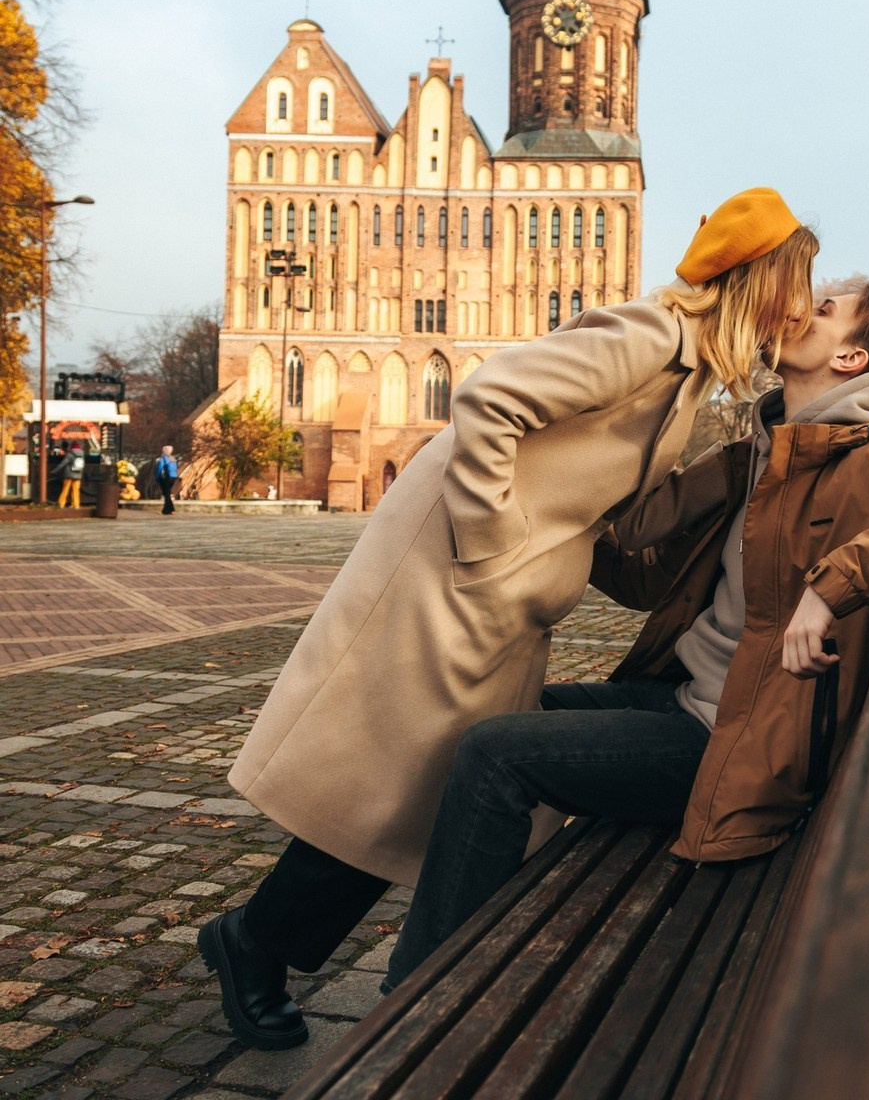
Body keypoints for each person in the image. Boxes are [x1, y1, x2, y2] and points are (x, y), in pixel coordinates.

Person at [199, 188, 819, 1050]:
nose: (803, 306)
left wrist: (743, 463)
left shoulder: (689, 372)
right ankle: (260, 943)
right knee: (396, 774)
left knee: (413, 779)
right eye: (800, 282)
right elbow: (489, 398)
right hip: (459, 573)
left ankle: (262, 940)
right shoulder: (651, 336)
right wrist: (492, 543)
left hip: (499, 591)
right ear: (762, 278)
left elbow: (631, 512)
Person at [369, 281, 869, 994]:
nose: (797, 309)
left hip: (734, 742)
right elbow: (643, 575)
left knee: (495, 754)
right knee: (485, 711)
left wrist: (833, 583)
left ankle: (410, 996)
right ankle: (457, 940)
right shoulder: (758, 454)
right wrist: (551, 516)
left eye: (822, 310)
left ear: (851, 357)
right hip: (687, 700)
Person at [53, 444, 86, 508]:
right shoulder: (82, 455)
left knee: (65, 489)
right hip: (78, 475)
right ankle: (76, 504)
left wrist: (55, 470)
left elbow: (63, 464)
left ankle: (61, 504)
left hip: (69, 475)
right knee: (76, 490)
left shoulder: (70, 454)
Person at [155, 445, 179, 514]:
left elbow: (160, 468)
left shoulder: (164, 458)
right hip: (173, 477)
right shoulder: (173, 458)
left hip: (166, 477)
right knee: (167, 492)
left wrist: (158, 477)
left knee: (166, 493)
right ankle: (171, 508)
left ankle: (166, 510)